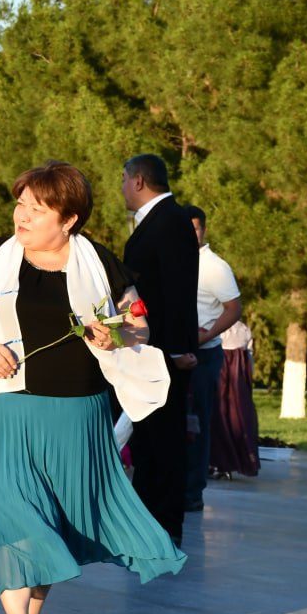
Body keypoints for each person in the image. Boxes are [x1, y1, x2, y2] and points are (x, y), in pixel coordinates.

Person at [0, 160, 184, 614]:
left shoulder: (101, 263)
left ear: (69, 218)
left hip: (78, 413)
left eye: (37, 208)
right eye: (20, 203)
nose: (22, 215)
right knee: (13, 515)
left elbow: (138, 327)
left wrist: (112, 334)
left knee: (51, 520)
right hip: (6, 408)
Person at [121, 154, 200, 546]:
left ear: (138, 181)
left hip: (163, 355)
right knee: (147, 442)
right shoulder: (156, 222)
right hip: (148, 353)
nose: (121, 188)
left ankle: (166, 527)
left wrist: (173, 350)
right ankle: (147, 522)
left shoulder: (170, 222)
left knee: (165, 443)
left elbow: (177, 293)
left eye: (123, 180)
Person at [184, 205, 242, 508]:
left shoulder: (215, 267)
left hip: (204, 356)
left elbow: (234, 309)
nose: (190, 234)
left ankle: (192, 494)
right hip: (173, 355)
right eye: (185, 228)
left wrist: (203, 336)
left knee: (197, 425)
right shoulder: (174, 261)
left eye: (195, 228)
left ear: (204, 230)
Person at [211, 319, 260, 477]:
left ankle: (219, 462)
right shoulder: (243, 328)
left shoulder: (214, 325)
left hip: (221, 373)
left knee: (220, 417)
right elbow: (249, 361)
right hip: (238, 381)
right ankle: (230, 462)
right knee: (236, 419)